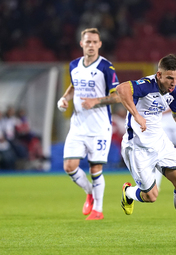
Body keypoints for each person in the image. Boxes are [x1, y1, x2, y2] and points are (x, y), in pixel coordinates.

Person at [116, 54, 176, 239]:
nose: (174, 83)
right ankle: (128, 192)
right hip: (138, 147)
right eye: (169, 78)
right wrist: (136, 115)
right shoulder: (146, 85)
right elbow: (121, 89)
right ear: (159, 75)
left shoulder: (174, 90)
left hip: (160, 142)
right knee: (151, 196)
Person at [56, 28, 119, 220]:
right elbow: (74, 86)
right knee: (69, 166)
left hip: (99, 128)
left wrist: (96, 101)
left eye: (94, 42)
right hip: (78, 126)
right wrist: (64, 98)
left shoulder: (106, 68)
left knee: (95, 169)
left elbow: (118, 96)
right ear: (81, 43)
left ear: (99, 44)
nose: (91, 45)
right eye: (87, 42)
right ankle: (90, 192)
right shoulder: (74, 65)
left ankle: (98, 210)